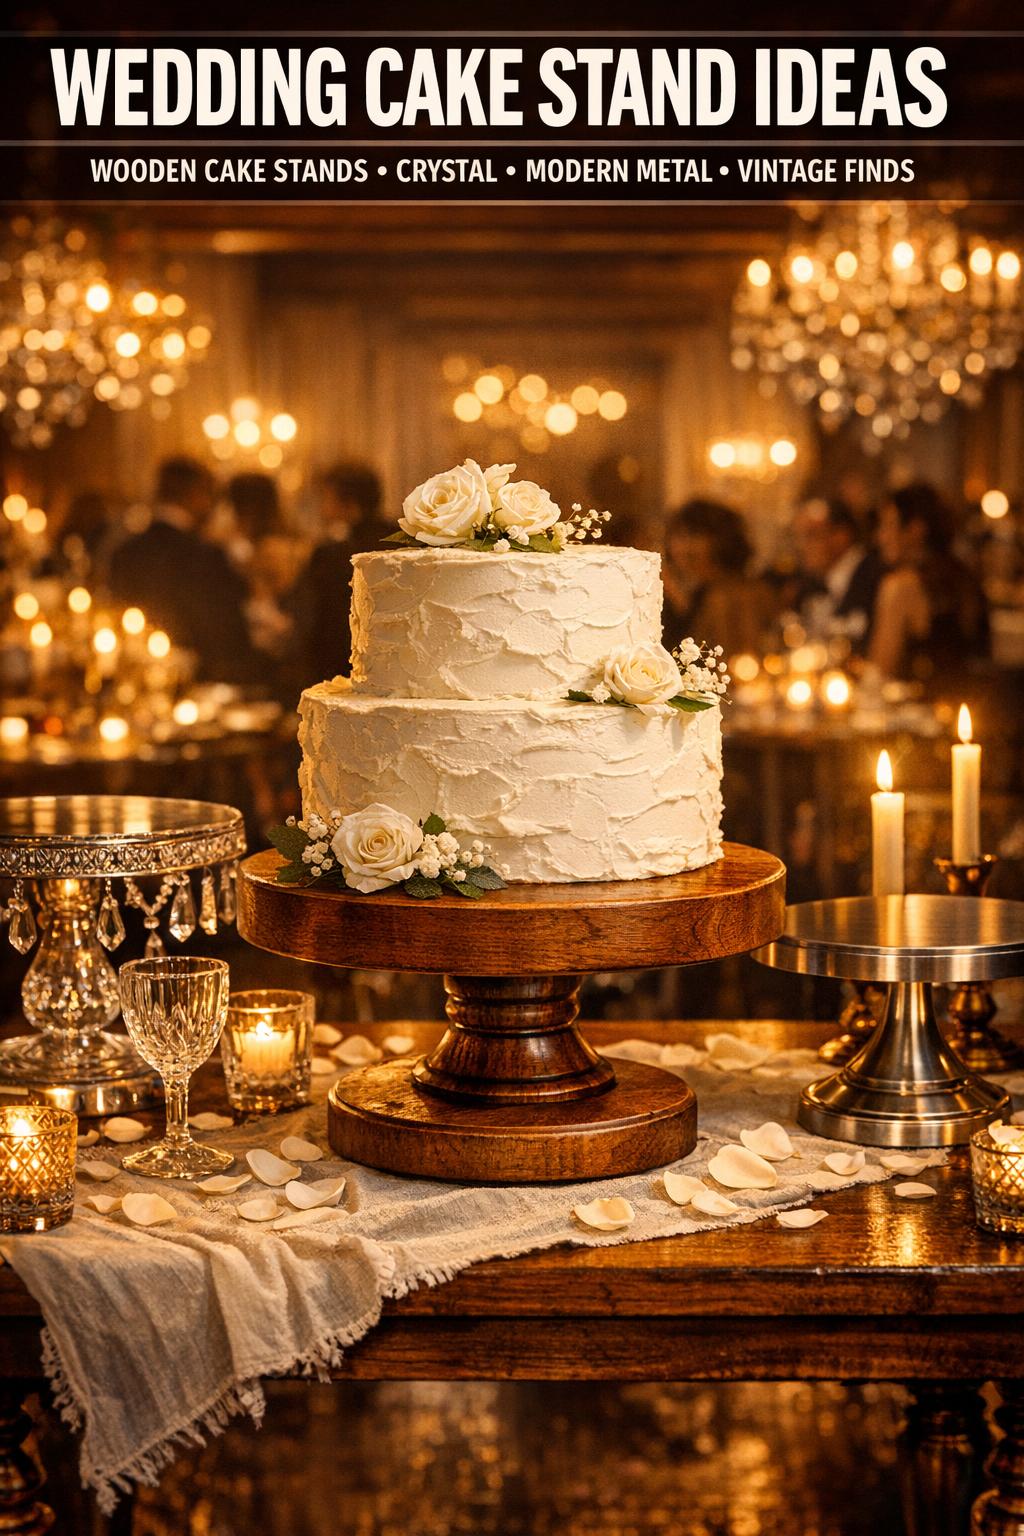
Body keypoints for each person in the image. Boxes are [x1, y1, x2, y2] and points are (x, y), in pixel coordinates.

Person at [109, 456, 261, 684]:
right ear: (195, 494)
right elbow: (224, 627)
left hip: (135, 672)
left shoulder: (126, 550)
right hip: (198, 678)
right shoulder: (204, 555)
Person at [868, 482, 990, 682]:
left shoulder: (900, 586)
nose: (880, 537)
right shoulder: (965, 577)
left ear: (916, 530)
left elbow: (879, 675)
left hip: (916, 707)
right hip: (968, 706)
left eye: (888, 525)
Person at [285, 462, 386, 685]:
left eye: (326, 498)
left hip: (339, 661)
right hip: (389, 660)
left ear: (348, 503)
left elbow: (312, 616)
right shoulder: (395, 539)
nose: (322, 507)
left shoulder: (331, 553)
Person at [663, 499, 775, 657]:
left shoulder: (736, 595)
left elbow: (734, 662)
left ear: (721, 541)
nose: (681, 547)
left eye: (693, 534)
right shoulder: (698, 593)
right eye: (677, 536)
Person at [795, 496, 883, 653]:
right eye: (800, 537)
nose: (802, 547)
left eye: (811, 535)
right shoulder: (810, 585)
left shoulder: (875, 577)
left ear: (841, 536)